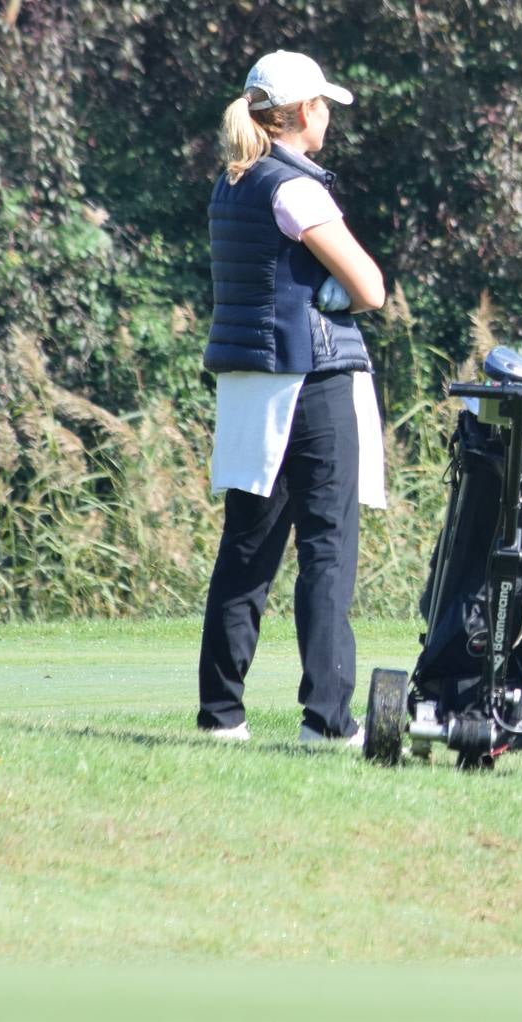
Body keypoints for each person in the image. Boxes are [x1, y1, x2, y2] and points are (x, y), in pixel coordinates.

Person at [196, 50, 387, 748]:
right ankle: (327, 721)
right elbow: (370, 288)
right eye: (324, 106)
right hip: (312, 383)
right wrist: (337, 293)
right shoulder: (295, 188)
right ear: (303, 112)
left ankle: (222, 715)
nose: (329, 116)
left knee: (247, 548)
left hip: (250, 385)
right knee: (328, 550)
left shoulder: (232, 181)